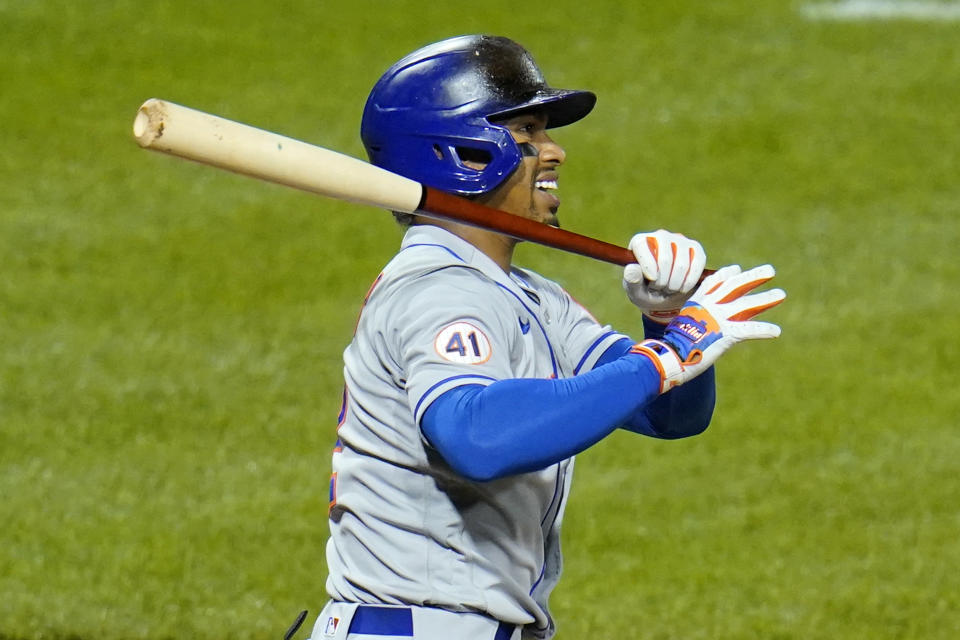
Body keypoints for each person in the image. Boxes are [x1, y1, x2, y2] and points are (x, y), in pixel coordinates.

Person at [307, 35, 785, 640]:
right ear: (460, 153)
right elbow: (476, 436)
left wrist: (664, 323)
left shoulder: (528, 294)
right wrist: (668, 353)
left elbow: (670, 415)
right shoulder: (438, 290)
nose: (553, 151)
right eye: (527, 134)